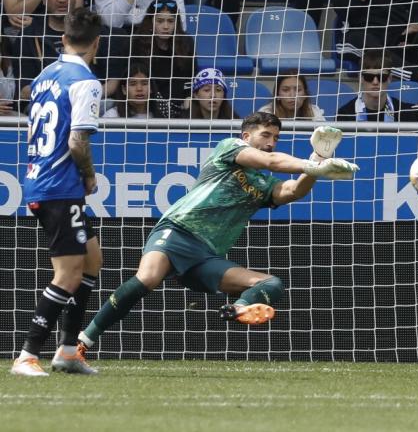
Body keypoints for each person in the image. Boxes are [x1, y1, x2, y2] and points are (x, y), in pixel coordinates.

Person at [76, 113, 359, 355]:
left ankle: (236, 309)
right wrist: (312, 165)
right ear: (247, 136)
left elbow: (293, 191)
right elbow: (270, 160)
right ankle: (83, 341)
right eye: (266, 135)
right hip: (178, 230)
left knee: (272, 285)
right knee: (148, 278)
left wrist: (318, 161)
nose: (271, 142)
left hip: (207, 256)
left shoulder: (263, 183)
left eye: (276, 138)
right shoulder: (230, 147)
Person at [11, 7, 103, 377]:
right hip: (58, 185)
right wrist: (89, 176)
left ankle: (67, 351)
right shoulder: (86, 81)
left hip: (39, 176)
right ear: (97, 42)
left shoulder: (45, 75)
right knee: (68, 275)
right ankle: (27, 356)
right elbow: (77, 141)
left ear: (63, 38)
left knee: (93, 259)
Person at [12, 0, 127, 103]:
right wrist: (65, 98)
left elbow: (113, 83)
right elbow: (25, 89)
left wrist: (84, 97)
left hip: (93, 101)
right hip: (45, 104)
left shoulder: (95, 31)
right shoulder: (29, 35)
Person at [337, 50, 418, 123]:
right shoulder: (345, 114)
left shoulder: (403, 112)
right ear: (361, 79)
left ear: (389, 79)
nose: (375, 82)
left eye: (381, 77)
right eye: (369, 77)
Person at [132, 0, 195, 118]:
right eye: (160, 21)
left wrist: (189, 97)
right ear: (151, 21)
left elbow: (191, 76)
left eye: (170, 21)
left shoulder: (186, 43)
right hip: (146, 106)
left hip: (180, 106)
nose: (166, 26)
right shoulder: (136, 44)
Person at [259, 73, 325, 121]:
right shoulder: (266, 113)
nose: (292, 95)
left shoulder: (313, 111)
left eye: (298, 90)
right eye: (285, 90)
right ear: (277, 95)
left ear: (305, 95)